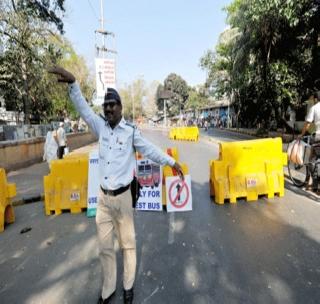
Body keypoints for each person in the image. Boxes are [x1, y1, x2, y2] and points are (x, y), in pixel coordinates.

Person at [49, 66, 184, 304]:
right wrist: (74, 84)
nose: (109, 108)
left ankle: (128, 287)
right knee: (105, 249)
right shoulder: (100, 127)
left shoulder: (131, 132)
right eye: (106, 105)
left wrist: (171, 162)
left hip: (123, 199)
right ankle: (108, 290)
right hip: (103, 200)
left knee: (128, 246)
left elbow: (150, 151)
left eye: (113, 104)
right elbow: (83, 108)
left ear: (120, 107)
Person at [299, 91, 320, 190]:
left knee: (311, 159)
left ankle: (315, 184)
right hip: (315, 134)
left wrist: (301, 135)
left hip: (318, 136)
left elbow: (307, 124)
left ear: (316, 99)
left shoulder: (314, 108)